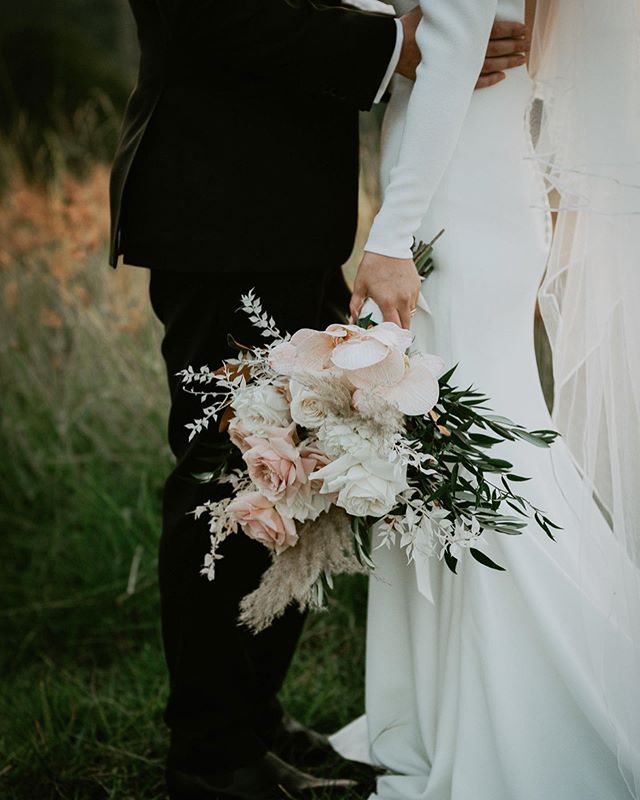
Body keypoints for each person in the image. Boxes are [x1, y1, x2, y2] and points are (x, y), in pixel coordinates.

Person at [107, 2, 528, 799]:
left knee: (290, 470)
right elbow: (208, 18)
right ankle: (212, 757)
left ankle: (247, 717)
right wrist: (393, 44)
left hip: (277, 213)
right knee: (235, 479)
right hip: (223, 210)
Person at [333, 0, 640, 798]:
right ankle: (442, 710)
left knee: (480, 464)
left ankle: (542, 709)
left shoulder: (416, 224)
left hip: (453, 205)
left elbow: (457, 51)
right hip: (469, 186)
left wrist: (391, 239)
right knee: (451, 461)